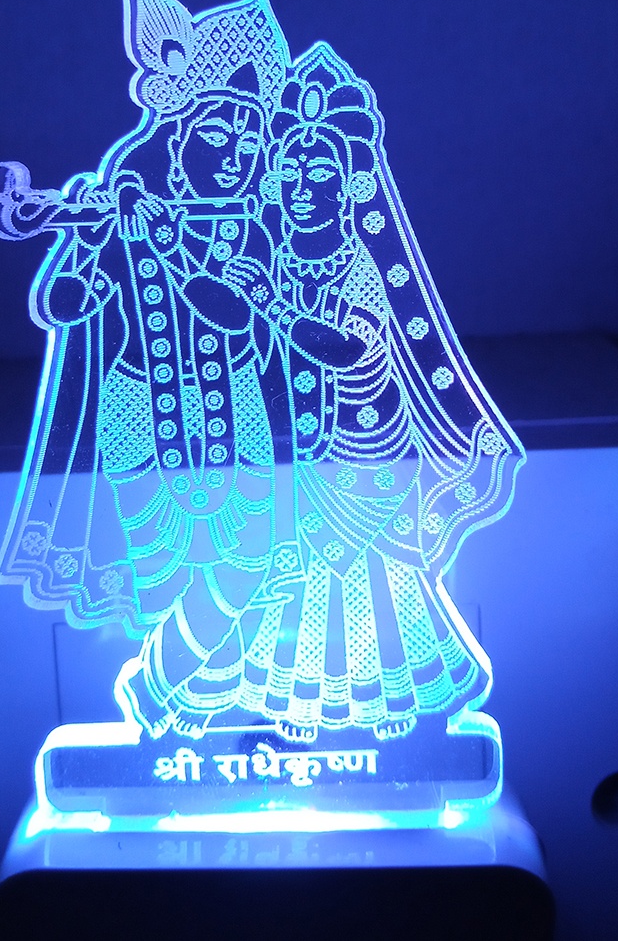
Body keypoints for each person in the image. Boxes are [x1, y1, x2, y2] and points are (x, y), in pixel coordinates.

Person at [0, 0, 294, 739]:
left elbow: (229, 311)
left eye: (249, 143)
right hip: (138, 413)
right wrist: (84, 235)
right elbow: (59, 304)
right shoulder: (119, 219)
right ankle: (190, 725)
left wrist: (163, 239)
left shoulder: (250, 229)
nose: (234, 158)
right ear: (176, 140)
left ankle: (160, 695)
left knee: (249, 567)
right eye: (216, 136)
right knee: (162, 576)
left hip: (236, 408)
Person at [221, 44, 525, 743]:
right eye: (289, 171)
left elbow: (350, 347)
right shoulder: (273, 254)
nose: (302, 187)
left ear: (349, 188)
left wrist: (270, 304)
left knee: (370, 583)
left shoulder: (359, 261)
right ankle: (304, 704)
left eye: (320, 174)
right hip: (294, 451)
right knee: (298, 585)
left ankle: (386, 702)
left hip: (364, 452)